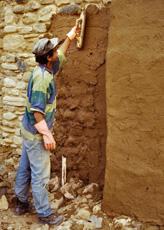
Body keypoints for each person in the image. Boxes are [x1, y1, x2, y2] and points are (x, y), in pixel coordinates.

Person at [14, 26, 78, 226]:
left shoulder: (45, 67)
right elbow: (37, 111)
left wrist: (69, 37)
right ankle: (44, 214)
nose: (56, 51)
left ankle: (20, 202)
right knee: (40, 174)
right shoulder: (42, 80)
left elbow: (62, 55)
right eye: (54, 50)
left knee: (25, 166)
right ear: (48, 57)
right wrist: (47, 135)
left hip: (27, 130)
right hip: (35, 132)